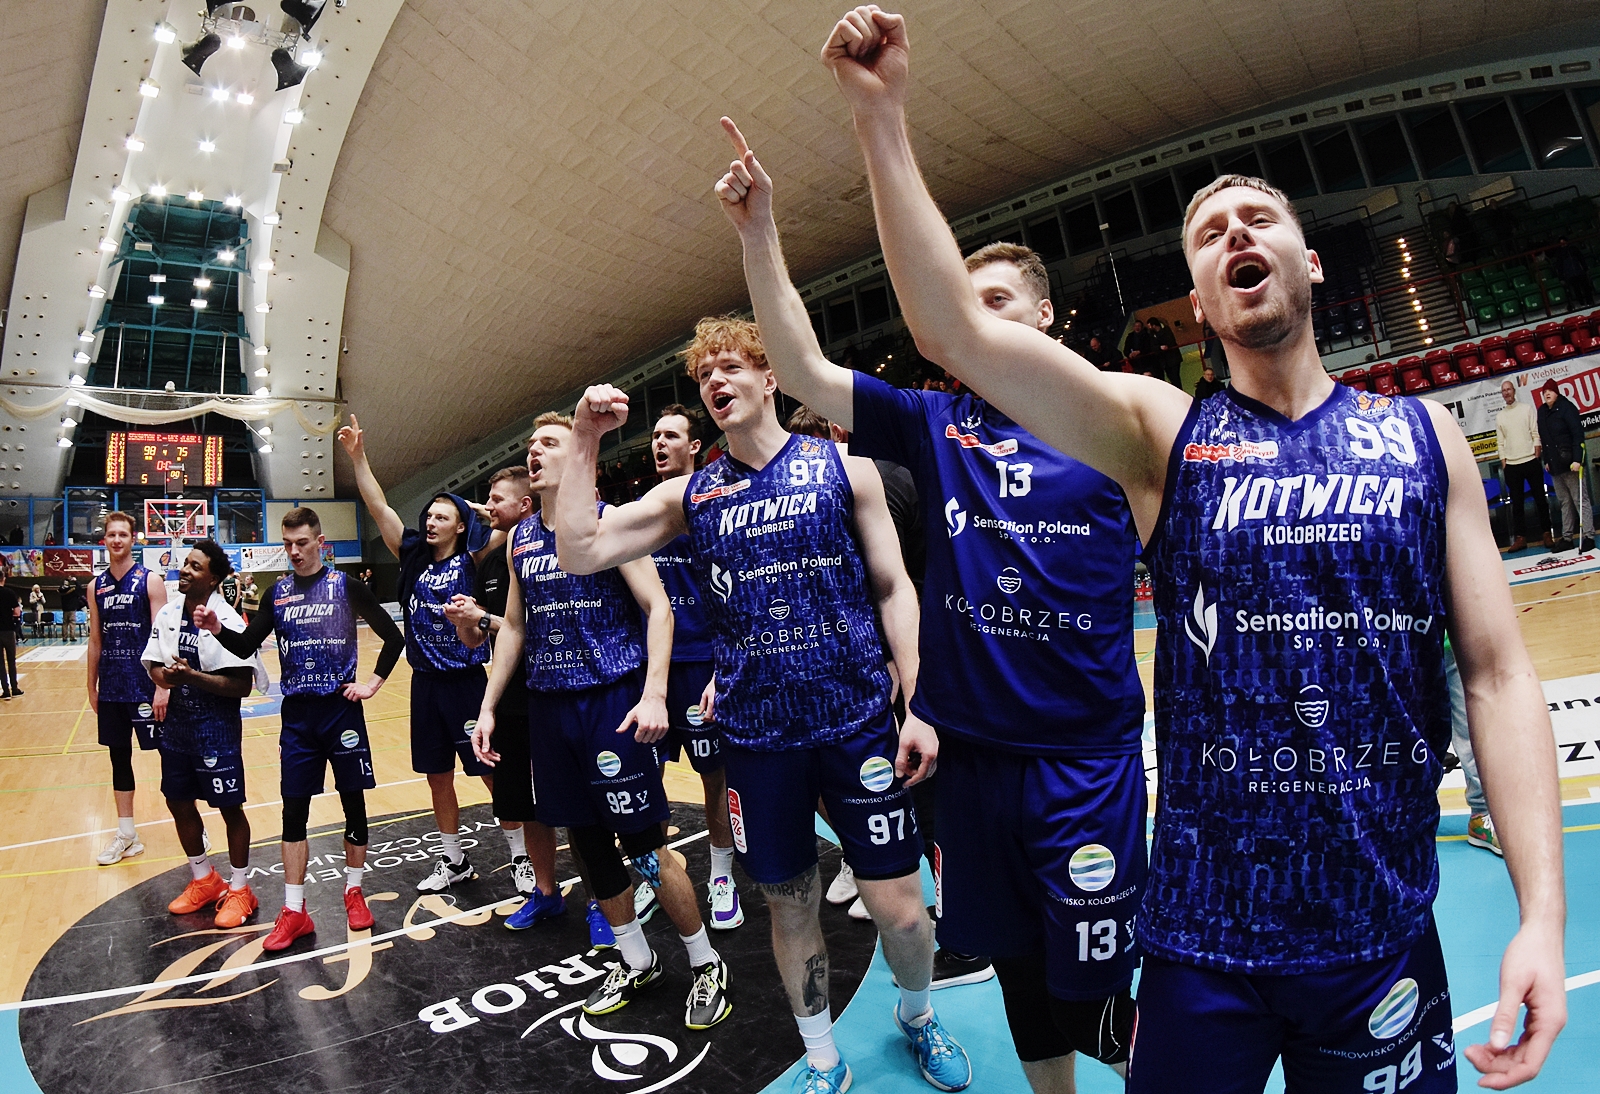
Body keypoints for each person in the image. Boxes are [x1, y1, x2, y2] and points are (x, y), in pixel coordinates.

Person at [824, 9, 1566, 1090]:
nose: (1234, 234)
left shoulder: (1425, 438)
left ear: (1309, 259)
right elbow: (955, 333)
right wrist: (883, 118)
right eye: (1209, 235)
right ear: (1201, 298)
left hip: (1378, 931)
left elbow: (1497, 675)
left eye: (1257, 217)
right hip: (1202, 938)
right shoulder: (1160, 436)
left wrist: (1541, 915)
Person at [721, 118, 1145, 1085]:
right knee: (1019, 970)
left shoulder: (1119, 419)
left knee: (1103, 991)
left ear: (1045, 317)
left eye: (997, 302)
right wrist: (758, 234)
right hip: (971, 761)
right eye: (966, 307)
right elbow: (803, 371)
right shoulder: (936, 423)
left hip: (1084, 756)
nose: (978, 322)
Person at [555, 316, 971, 1094]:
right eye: (703, 375)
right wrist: (584, 439)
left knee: (905, 914)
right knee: (790, 906)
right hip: (757, 742)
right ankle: (822, 1054)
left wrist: (918, 703)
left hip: (857, 727)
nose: (715, 381)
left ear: (770, 376)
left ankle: (917, 1016)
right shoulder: (692, 495)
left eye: (731, 367)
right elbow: (578, 548)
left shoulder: (846, 469)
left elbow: (893, 589)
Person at [473, 413, 731, 1031]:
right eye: (530, 444)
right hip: (549, 708)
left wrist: (654, 694)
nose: (535, 451)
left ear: (577, 456)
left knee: (644, 846)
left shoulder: (609, 522)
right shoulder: (520, 539)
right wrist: (488, 704)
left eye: (549, 443)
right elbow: (515, 626)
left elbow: (659, 607)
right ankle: (636, 960)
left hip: (610, 703)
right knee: (587, 845)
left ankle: (705, 962)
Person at [194, 507, 406, 949]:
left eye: (302, 543)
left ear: (320, 543)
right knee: (293, 812)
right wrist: (216, 629)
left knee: (353, 804)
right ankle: (294, 911)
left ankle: (354, 891)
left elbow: (394, 637)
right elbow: (246, 646)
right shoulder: (277, 593)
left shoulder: (346, 586)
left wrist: (371, 684)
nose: (294, 551)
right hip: (297, 718)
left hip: (341, 712)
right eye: (287, 544)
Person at [337, 414, 509, 893]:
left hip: (467, 683)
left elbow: (511, 521)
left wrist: (476, 509)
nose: (431, 521)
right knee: (438, 777)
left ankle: (520, 854)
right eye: (429, 516)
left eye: (442, 517)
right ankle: (453, 860)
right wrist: (358, 458)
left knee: (490, 773)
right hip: (426, 684)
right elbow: (378, 506)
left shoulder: (473, 557)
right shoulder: (411, 555)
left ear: (460, 525)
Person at [631, 403, 745, 931]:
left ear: (695, 446)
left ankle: (721, 875)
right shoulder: (640, 511)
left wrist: (725, 667)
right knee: (644, 777)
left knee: (714, 776)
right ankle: (655, 876)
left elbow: (736, 594)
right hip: (648, 669)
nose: (659, 443)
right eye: (655, 435)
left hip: (702, 663)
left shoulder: (716, 504)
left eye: (671, 436)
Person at [442, 466, 570, 931]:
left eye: (497, 499)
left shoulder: (562, 550)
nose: (488, 507)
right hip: (512, 701)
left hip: (557, 695)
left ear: (524, 505)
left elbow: (539, 629)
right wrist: (466, 621)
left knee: (576, 805)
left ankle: (603, 900)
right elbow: (480, 640)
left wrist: (486, 619)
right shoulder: (493, 563)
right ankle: (546, 892)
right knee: (524, 806)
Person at [141, 541, 265, 929]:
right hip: (177, 727)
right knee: (177, 801)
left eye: (195, 566)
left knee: (230, 809)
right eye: (185, 563)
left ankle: (240, 889)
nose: (185, 570)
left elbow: (242, 685)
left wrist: (192, 677)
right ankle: (204, 879)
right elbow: (153, 664)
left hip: (216, 728)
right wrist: (166, 677)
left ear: (212, 578)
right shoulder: (167, 613)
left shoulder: (227, 620)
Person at [88, 512, 170, 864]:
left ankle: (192, 824)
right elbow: (95, 640)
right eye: (112, 535)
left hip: (147, 686)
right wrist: (91, 685)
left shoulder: (150, 581)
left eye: (123, 534)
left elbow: (164, 636)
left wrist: (164, 686)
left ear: (133, 539)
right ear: (104, 540)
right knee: (118, 759)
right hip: (112, 688)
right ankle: (127, 835)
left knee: (171, 756)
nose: (117, 540)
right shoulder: (96, 587)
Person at [1443, 638, 1499, 856]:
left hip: (1453, 647)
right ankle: (1413, 816)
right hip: (1401, 648)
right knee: (1413, 735)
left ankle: (1482, 815)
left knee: (1473, 730)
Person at [1537, 379, 1593, 553]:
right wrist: (1547, 460)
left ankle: (1588, 536)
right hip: (1555, 465)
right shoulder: (1542, 412)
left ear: (1557, 392)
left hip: (1570, 463)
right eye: (1544, 392)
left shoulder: (1567, 408)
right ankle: (1567, 537)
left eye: (1550, 391)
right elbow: (1545, 439)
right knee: (1564, 502)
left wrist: (1577, 459)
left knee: (1580, 499)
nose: (1547, 394)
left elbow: (1577, 435)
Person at [1496, 380, 1552, 553]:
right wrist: (1504, 462)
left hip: (1530, 460)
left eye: (1509, 389)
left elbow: (1535, 433)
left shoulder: (1527, 409)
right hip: (1512, 465)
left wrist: (1536, 455)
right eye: (1503, 390)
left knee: (1540, 500)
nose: (1506, 393)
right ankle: (1521, 538)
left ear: (1514, 391)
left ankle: (1547, 533)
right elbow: (1500, 442)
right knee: (1517, 504)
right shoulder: (1500, 416)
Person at [1547, 238, 1592, 308]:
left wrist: (1585, 269)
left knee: (1586, 287)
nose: (1563, 243)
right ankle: (1582, 303)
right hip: (1570, 274)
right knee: (1576, 290)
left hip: (1579, 272)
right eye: (1561, 242)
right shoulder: (1559, 253)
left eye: (1564, 241)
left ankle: (1589, 302)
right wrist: (1561, 278)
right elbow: (1560, 266)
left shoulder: (1573, 249)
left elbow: (1581, 259)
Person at [0, 568, 21, 698]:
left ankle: (5, 691)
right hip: (8, 630)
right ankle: (15, 688)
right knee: (11, 660)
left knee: (0, 663)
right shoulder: (9, 593)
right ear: (3, 579)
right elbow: (17, 612)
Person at [1149, 316, 1184, 388]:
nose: (1149, 328)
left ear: (1154, 325)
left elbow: (1171, 341)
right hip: (1165, 361)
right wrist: (1159, 347)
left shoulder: (1166, 330)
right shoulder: (1152, 335)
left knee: (1175, 378)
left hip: (1173, 359)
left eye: (1150, 326)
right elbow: (1152, 346)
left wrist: (1163, 347)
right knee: (1172, 378)